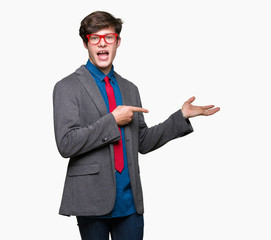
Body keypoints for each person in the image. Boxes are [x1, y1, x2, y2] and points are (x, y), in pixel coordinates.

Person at [53, 11, 220, 240]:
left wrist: (180, 117)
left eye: (109, 37)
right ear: (86, 43)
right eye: (95, 38)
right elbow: (66, 143)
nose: (102, 43)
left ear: (118, 42)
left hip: (130, 202)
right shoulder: (67, 87)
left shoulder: (130, 88)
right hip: (91, 200)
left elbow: (142, 141)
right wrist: (112, 120)